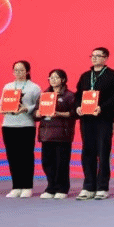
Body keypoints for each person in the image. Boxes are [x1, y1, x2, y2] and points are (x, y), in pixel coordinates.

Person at [75, 46, 114, 200]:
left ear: (106, 58)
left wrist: (101, 108)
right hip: (87, 120)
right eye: (92, 55)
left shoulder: (113, 75)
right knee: (87, 152)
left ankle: (102, 187)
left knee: (103, 152)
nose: (94, 58)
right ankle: (88, 186)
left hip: (104, 119)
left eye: (98, 55)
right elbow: (78, 95)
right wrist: (78, 107)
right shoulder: (85, 76)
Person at [1, 60, 41, 198]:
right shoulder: (8, 86)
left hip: (26, 125)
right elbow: (1, 103)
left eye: (21, 70)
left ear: (27, 71)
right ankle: (16, 186)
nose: (18, 73)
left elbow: (38, 106)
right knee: (12, 156)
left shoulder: (34, 87)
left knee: (26, 156)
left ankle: (27, 186)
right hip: (9, 125)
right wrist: (4, 108)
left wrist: (26, 108)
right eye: (16, 70)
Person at [37, 69, 77, 198]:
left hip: (62, 134)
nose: (53, 80)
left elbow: (74, 114)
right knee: (47, 162)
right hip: (46, 134)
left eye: (56, 77)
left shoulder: (69, 96)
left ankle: (62, 188)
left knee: (61, 163)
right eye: (51, 77)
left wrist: (58, 113)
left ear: (63, 80)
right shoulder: (45, 95)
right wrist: (37, 113)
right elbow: (36, 114)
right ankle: (51, 187)